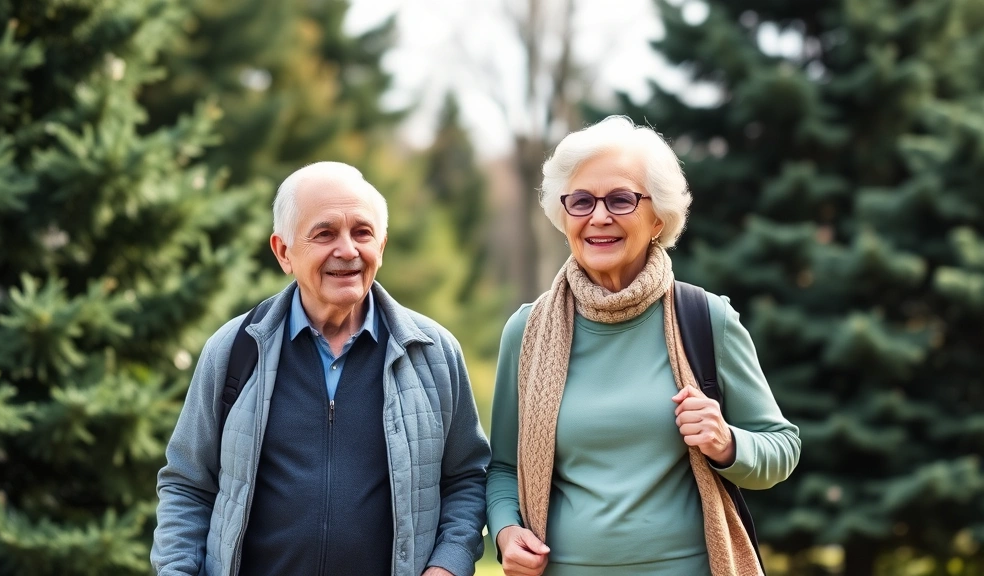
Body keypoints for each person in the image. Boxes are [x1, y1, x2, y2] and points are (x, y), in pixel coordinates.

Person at [485, 116, 801, 576]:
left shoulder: (705, 319)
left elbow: (782, 448)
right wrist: (506, 531)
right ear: (563, 215)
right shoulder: (527, 331)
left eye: (620, 199)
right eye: (581, 201)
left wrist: (726, 441)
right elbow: (502, 469)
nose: (599, 217)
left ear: (658, 218)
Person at [151, 161, 491, 576]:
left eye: (362, 233)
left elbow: (466, 479)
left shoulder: (433, 352)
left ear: (381, 246)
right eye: (325, 233)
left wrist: (448, 566)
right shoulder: (234, 350)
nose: (347, 250)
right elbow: (187, 484)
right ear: (283, 252)